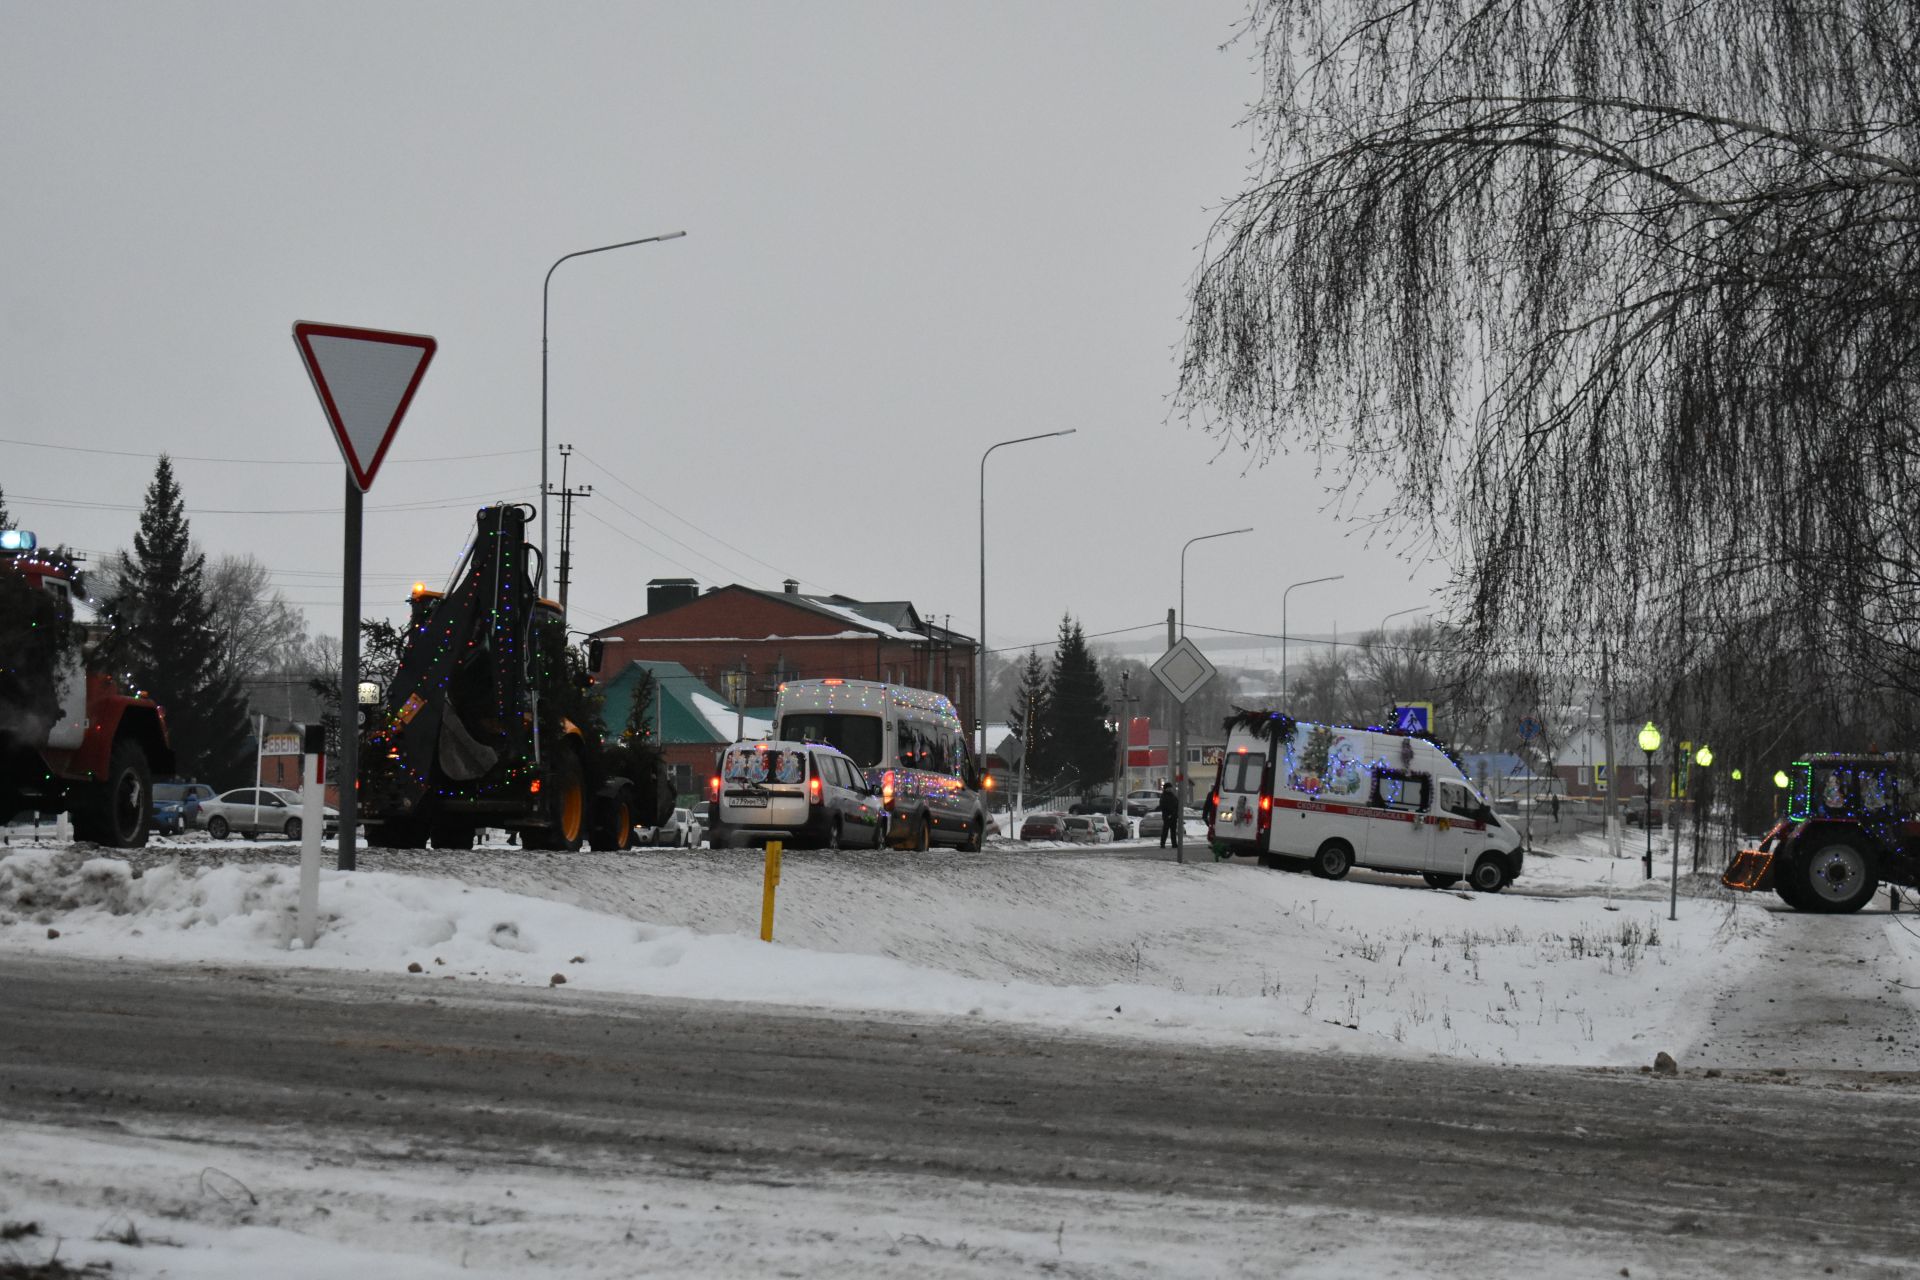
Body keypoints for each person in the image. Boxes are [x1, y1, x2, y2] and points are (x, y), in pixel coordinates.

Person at [1158, 781, 1180, 849]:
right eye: (1169, 788)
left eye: (1170, 788)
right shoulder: (1163, 796)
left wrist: (1175, 813)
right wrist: (1169, 814)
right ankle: (1162, 844)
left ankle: (1174, 844)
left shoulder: (1173, 795)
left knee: (1173, 831)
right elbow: (1163, 806)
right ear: (1165, 788)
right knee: (1165, 830)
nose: (1170, 789)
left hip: (1174, 816)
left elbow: (1177, 804)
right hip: (1167, 816)